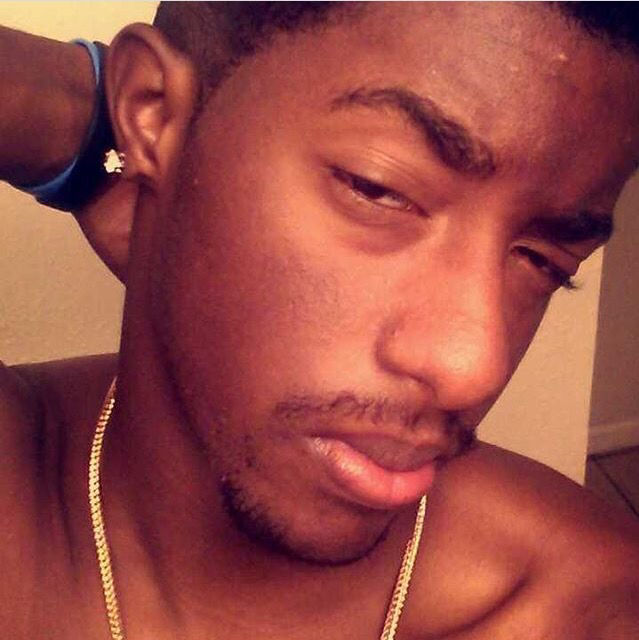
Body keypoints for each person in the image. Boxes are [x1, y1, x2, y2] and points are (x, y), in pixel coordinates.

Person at [1, 2, 639, 638]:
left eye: (544, 261)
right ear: (150, 110)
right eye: (377, 188)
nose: (472, 368)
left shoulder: (588, 607)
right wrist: (95, 135)